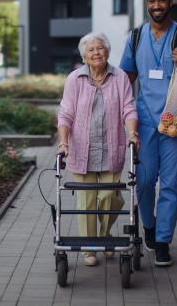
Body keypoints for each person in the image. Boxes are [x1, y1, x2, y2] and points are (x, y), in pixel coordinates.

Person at [119, 0, 177, 266]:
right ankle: (149, 228)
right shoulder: (135, 37)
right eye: (151, 1)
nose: (156, 6)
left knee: (170, 183)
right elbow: (125, 80)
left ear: (170, 1)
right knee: (144, 181)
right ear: (147, 3)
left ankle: (164, 242)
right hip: (145, 120)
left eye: (161, 0)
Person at [57, 32, 140, 267]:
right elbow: (66, 113)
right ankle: (90, 248)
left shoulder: (120, 76)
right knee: (86, 200)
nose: (96, 53)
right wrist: (63, 143)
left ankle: (104, 236)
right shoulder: (74, 79)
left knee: (110, 197)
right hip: (81, 150)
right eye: (91, 49)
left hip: (110, 149)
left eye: (100, 48)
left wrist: (132, 134)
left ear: (108, 52)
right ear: (84, 55)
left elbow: (128, 108)